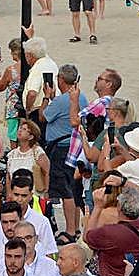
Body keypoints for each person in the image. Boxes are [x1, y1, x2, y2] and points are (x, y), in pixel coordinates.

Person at [38, 64, 88, 240]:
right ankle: (75, 228)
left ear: (60, 80)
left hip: (60, 148)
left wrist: (46, 97)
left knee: (65, 189)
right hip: (76, 146)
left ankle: (69, 230)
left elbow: (43, 116)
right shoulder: (82, 97)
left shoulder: (60, 101)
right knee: (74, 188)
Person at [84, 183, 139, 276]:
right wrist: (123, 180)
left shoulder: (111, 232)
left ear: (119, 207)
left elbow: (87, 237)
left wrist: (98, 207)